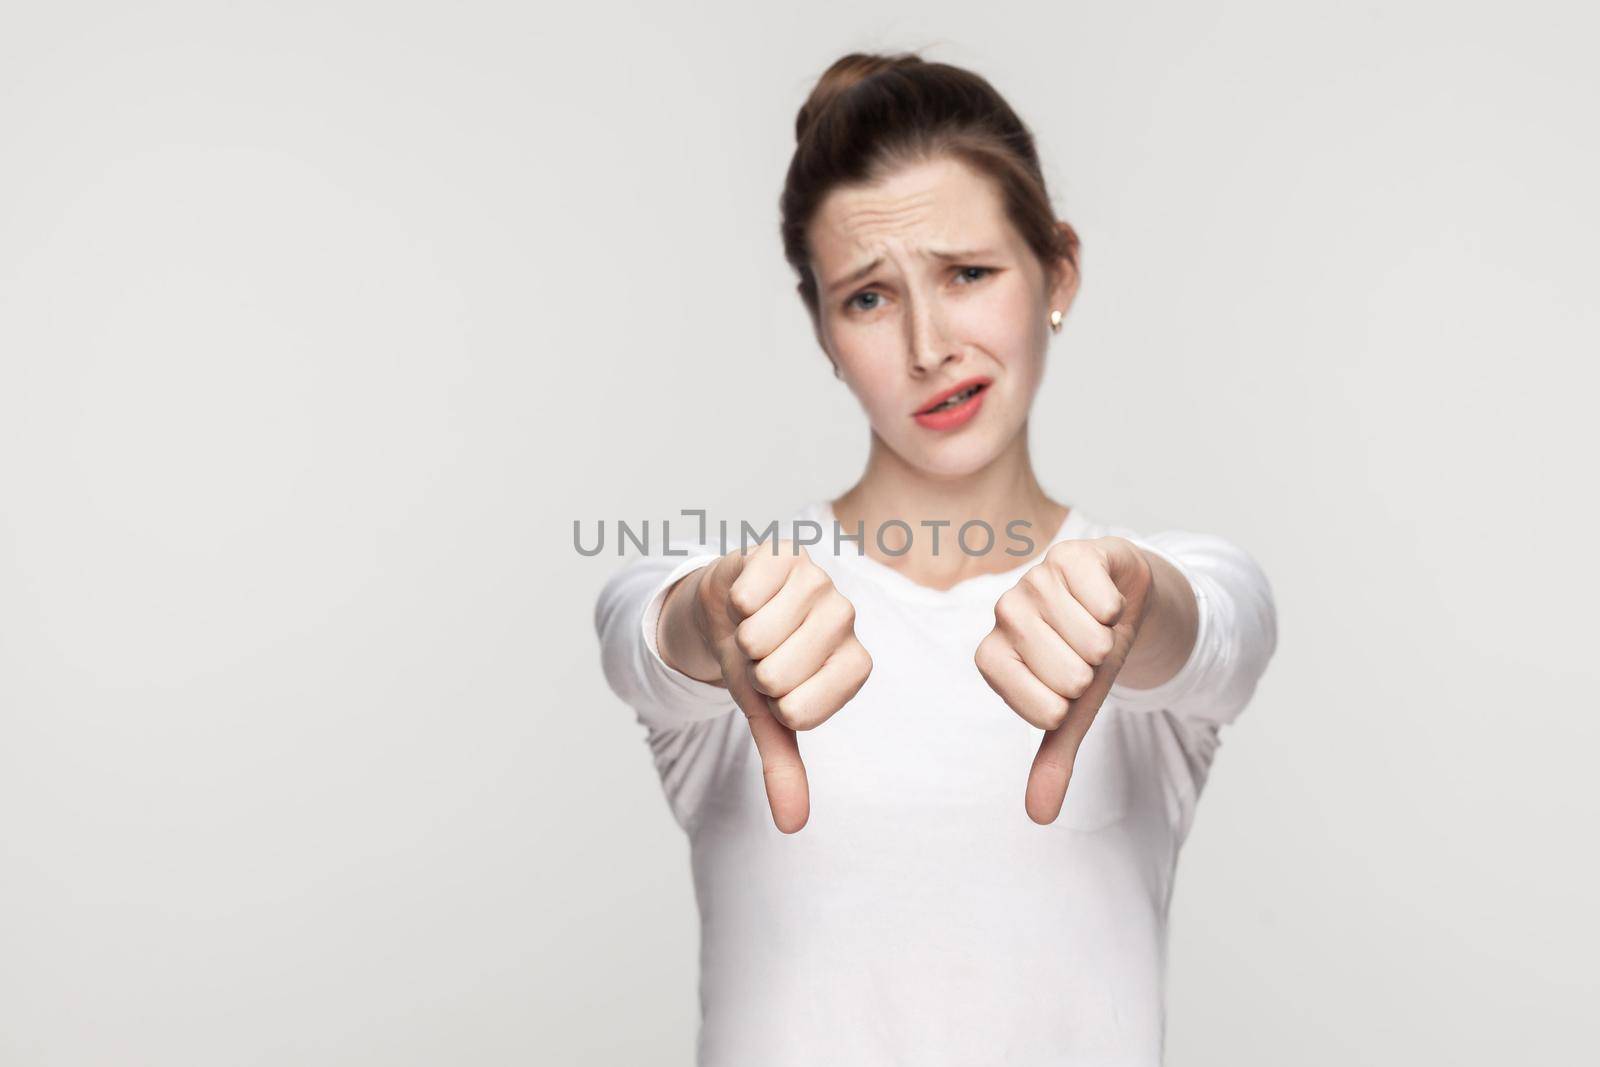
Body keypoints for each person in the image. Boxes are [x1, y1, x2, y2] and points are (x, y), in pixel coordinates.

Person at [592, 50, 1278, 1067]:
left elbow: (1224, 626)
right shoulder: (751, 605)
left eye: (966, 273)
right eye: (868, 297)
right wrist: (704, 617)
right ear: (824, 328)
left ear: (1058, 272)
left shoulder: (1142, 590)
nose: (927, 345)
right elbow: (640, 630)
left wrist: (1139, 602)